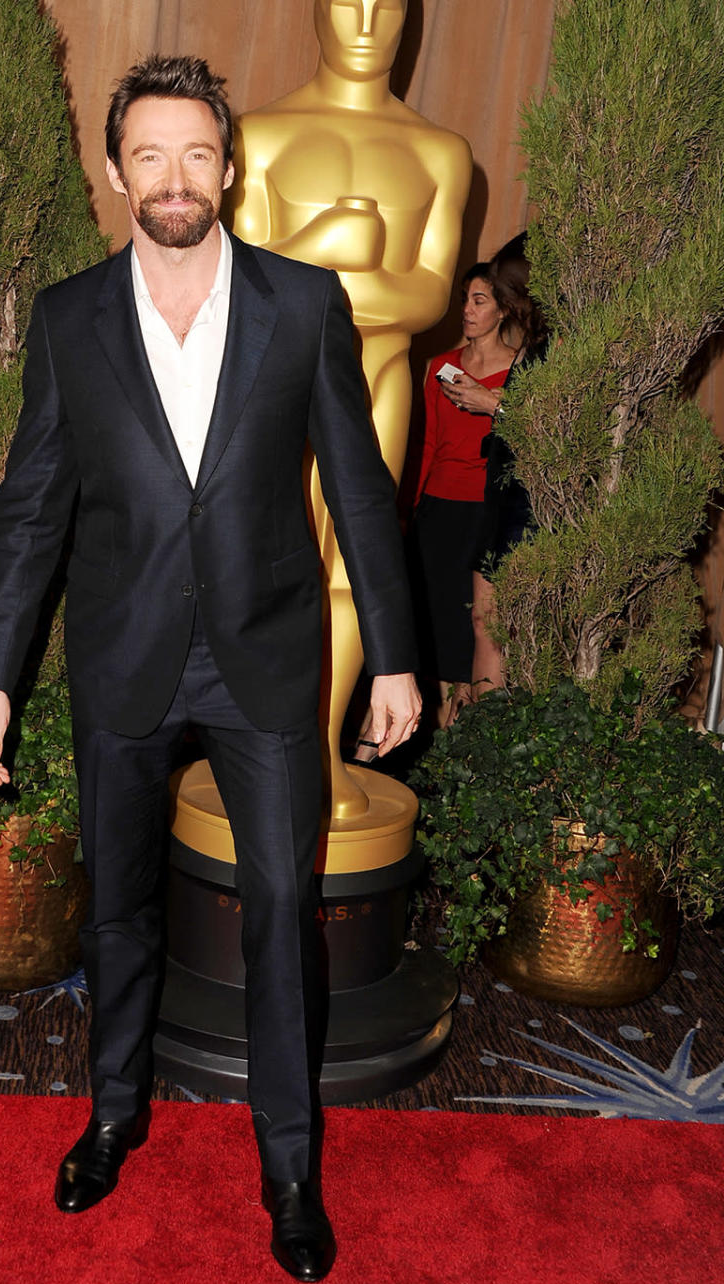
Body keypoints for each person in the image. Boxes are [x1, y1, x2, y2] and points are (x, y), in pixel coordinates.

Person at [0, 55, 422, 1284]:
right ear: (118, 176)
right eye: (149, 155)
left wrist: (393, 653)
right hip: (121, 661)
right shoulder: (68, 320)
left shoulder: (304, 305)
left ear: (230, 169)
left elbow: (362, 495)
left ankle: (288, 1164)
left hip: (269, 661)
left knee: (281, 914)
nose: (174, 177)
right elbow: (29, 513)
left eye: (197, 154)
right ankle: (114, 1114)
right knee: (117, 912)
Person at [232, 0, 470, 814]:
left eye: (387, 3)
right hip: (271, 382)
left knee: (350, 573)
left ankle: (319, 758)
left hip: (379, 381)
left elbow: (426, 297)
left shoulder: (439, 153)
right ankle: (256, 753)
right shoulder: (258, 136)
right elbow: (240, 285)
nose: (366, 20)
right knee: (260, 561)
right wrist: (338, 236)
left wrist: (315, 269)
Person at [441, 234, 549, 697]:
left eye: (500, 292)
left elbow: (559, 423)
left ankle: (489, 741)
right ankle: (479, 740)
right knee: (484, 622)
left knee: (499, 628)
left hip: (527, 504)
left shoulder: (554, 342)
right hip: (501, 494)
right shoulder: (537, 341)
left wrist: (493, 404)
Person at [409, 263, 516, 725]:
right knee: (441, 624)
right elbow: (428, 442)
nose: (468, 311)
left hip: (489, 508)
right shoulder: (440, 367)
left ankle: (481, 732)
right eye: (465, 299)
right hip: (438, 508)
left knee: (484, 625)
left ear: (503, 310)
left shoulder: (520, 369)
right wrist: (412, 510)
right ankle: (447, 732)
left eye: (480, 301)